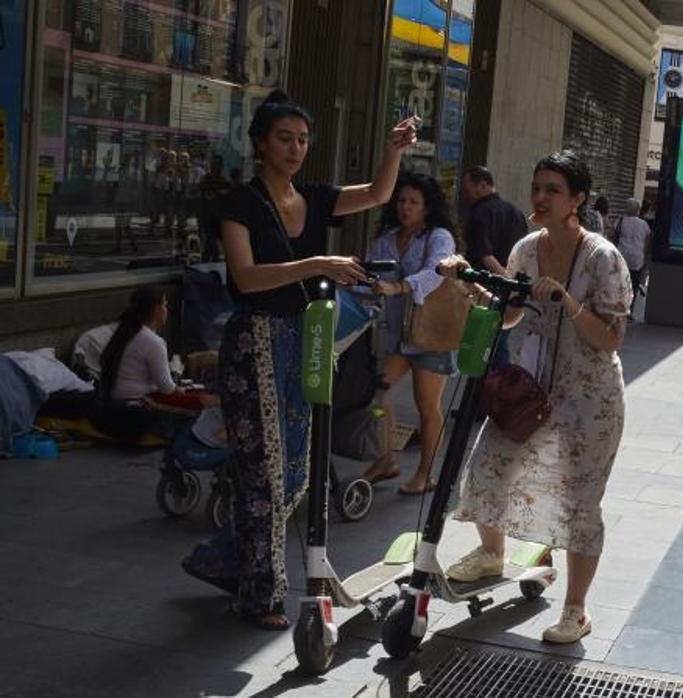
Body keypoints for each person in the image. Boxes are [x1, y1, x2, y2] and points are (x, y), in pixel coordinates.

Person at [181, 90, 417, 631]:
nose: (295, 148)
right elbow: (246, 277)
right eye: (285, 138)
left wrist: (393, 150)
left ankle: (223, 558)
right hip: (254, 343)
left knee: (295, 472)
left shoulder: (312, 196)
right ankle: (261, 595)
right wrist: (319, 263)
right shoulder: (239, 204)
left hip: (305, 338)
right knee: (263, 470)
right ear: (261, 143)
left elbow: (379, 192)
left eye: (304, 139)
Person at [441, 150, 633, 644]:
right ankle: (491, 554)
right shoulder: (526, 249)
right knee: (489, 465)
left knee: (580, 500)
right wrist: (469, 285)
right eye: (537, 187)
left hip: (590, 399)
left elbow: (611, 338)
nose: (541, 197)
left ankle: (575, 609)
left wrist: (569, 303)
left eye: (553, 189)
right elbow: (510, 315)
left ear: (577, 199)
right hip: (530, 389)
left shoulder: (601, 257)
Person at [363, 173, 460, 496]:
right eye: (401, 201)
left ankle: (425, 473)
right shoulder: (388, 238)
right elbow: (372, 275)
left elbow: (436, 272)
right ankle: (386, 458)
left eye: (413, 202)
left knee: (427, 407)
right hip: (398, 335)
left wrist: (400, 287)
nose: (405, 207)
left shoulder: (439, 236)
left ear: (427, 206)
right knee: (379, 396)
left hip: (430, 334)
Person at [91, 287, 185, 441]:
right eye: (165, 305)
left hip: (111, 404)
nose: (167, 310)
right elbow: (167, 388)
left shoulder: (125, 331)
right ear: (156, 309)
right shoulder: (153, 342)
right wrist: (182, 391)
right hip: (134, 409)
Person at [461, 165, 528, 277]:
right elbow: (524, 253)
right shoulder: (516, 212)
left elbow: (485, 256)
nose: (465, 196)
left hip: (483, 281)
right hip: (512, 279)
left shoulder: (479, 212)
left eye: (467, 190)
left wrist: (505, 278)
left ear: (483, 186)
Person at [613, 197, 651, 316]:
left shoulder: (621, 221)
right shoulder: (644, 224)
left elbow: (614, 236)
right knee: (633, 284)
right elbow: (648, 242)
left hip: (622, 255)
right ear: (638, 210)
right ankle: (629, 310)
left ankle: (616, 307)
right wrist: (645, 258)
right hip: (637, 258)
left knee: (619, 283)